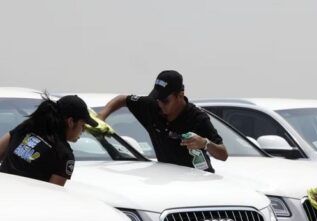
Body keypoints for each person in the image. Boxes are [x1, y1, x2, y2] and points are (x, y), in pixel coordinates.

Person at [97, 70, 228, 172]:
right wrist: (102, 116)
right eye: (157, 98)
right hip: (165, 178)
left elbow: (223, 154)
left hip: (198, 179)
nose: (160, 104)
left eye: (165, 101)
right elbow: (122, 99)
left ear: (180, 95)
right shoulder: (152, 106)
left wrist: (205, 143)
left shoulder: (198, 118)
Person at [0, 94, 97, 186]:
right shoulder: (64, 154)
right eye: (82, 124)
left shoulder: (27, 126)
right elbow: (52, 195)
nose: (83, 130)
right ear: (71, 122)